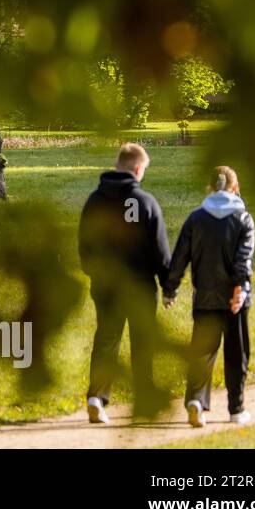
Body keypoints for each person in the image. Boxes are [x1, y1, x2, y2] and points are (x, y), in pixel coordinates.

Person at [78, 142, 172, 423]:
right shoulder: (145, 202)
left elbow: (85, 244)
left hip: (106, 284)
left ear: (118, 165)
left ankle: (97, 396)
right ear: (138, 169)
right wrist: (169, 285)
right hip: (141, 285)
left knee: (106, 338)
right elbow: (159, 249)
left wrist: (93, 271)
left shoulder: (95, 201)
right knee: (142, 342)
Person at [164, 166, 255, 427]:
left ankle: (195, 400)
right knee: (236, 353)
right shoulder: (243, 219)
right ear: (235, 188)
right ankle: (236, 409)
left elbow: (180, 256)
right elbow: (244, 259)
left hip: (204, 298)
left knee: (202, 352)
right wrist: (241, 288)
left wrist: (170, 288)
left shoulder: (196, 219)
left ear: (210, 187)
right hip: (234, 300)